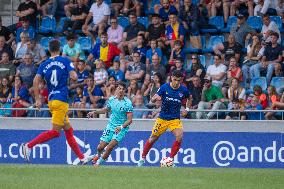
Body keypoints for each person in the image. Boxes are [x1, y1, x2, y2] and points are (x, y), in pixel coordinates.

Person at [21, 39, 89, 164]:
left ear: (49, 49)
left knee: (68, 131)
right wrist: (72, 74)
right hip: (61, 100)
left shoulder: (44, 64)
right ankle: (28, 146)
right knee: (55, 132)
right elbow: (74, 76)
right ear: (60, 48)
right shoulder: (65, 60)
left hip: (52, 100)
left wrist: (37, 99)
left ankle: (82, 158)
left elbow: (35, 81)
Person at [137, 70, 191, 167]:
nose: (176, 82)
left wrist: (187, 109)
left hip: (175, 119)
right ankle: (142, 158)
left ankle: (170, 159)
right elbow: (153, 99)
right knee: (153, 138)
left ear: (181, 80)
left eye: (179, 80)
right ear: (171, 78)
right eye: (175, 80)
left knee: (179, 136)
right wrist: (155, 98)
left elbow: (189, 98)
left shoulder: (183, 90)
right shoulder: (164, 87)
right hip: (162, 118)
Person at [86, 81, 133, 166]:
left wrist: (121, 127)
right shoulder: (111, 100)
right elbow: (106, 110)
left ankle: (98, 163)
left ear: (124, 91)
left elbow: (129, 120)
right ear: (116, 89)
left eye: (123, 89)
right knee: (100, 147)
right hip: (110, 126)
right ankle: (97, 155)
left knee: (110, 146)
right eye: (119, 88)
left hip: (120, 129)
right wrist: (94, 112)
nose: (121, 90)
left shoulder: (128, 103)